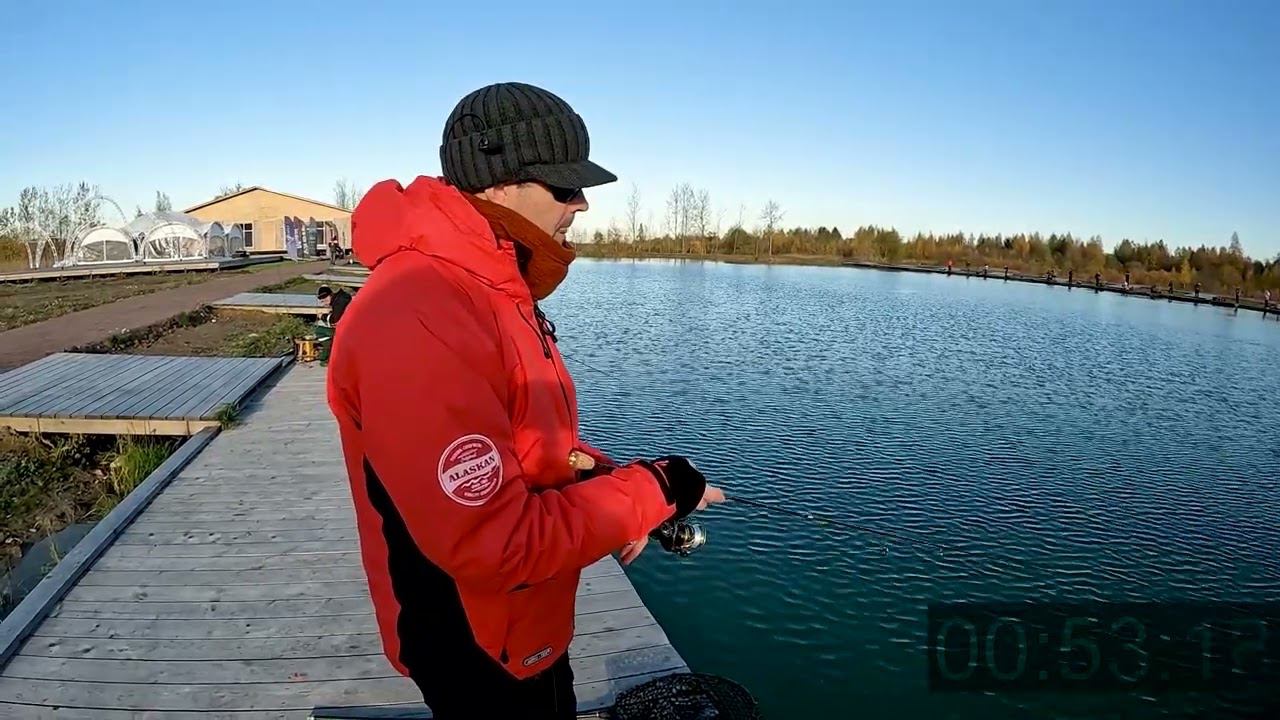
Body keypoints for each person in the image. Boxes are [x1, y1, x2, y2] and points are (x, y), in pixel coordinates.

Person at [324, 82, 724, 719]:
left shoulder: (488, 285)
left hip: (523, 625)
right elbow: (495, 542)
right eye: (565, 187)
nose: (583, 203)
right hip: (474, 639)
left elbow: (522, 439)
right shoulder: (417, 311)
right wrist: (653, 491)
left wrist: (613, 480)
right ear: (497, 181)